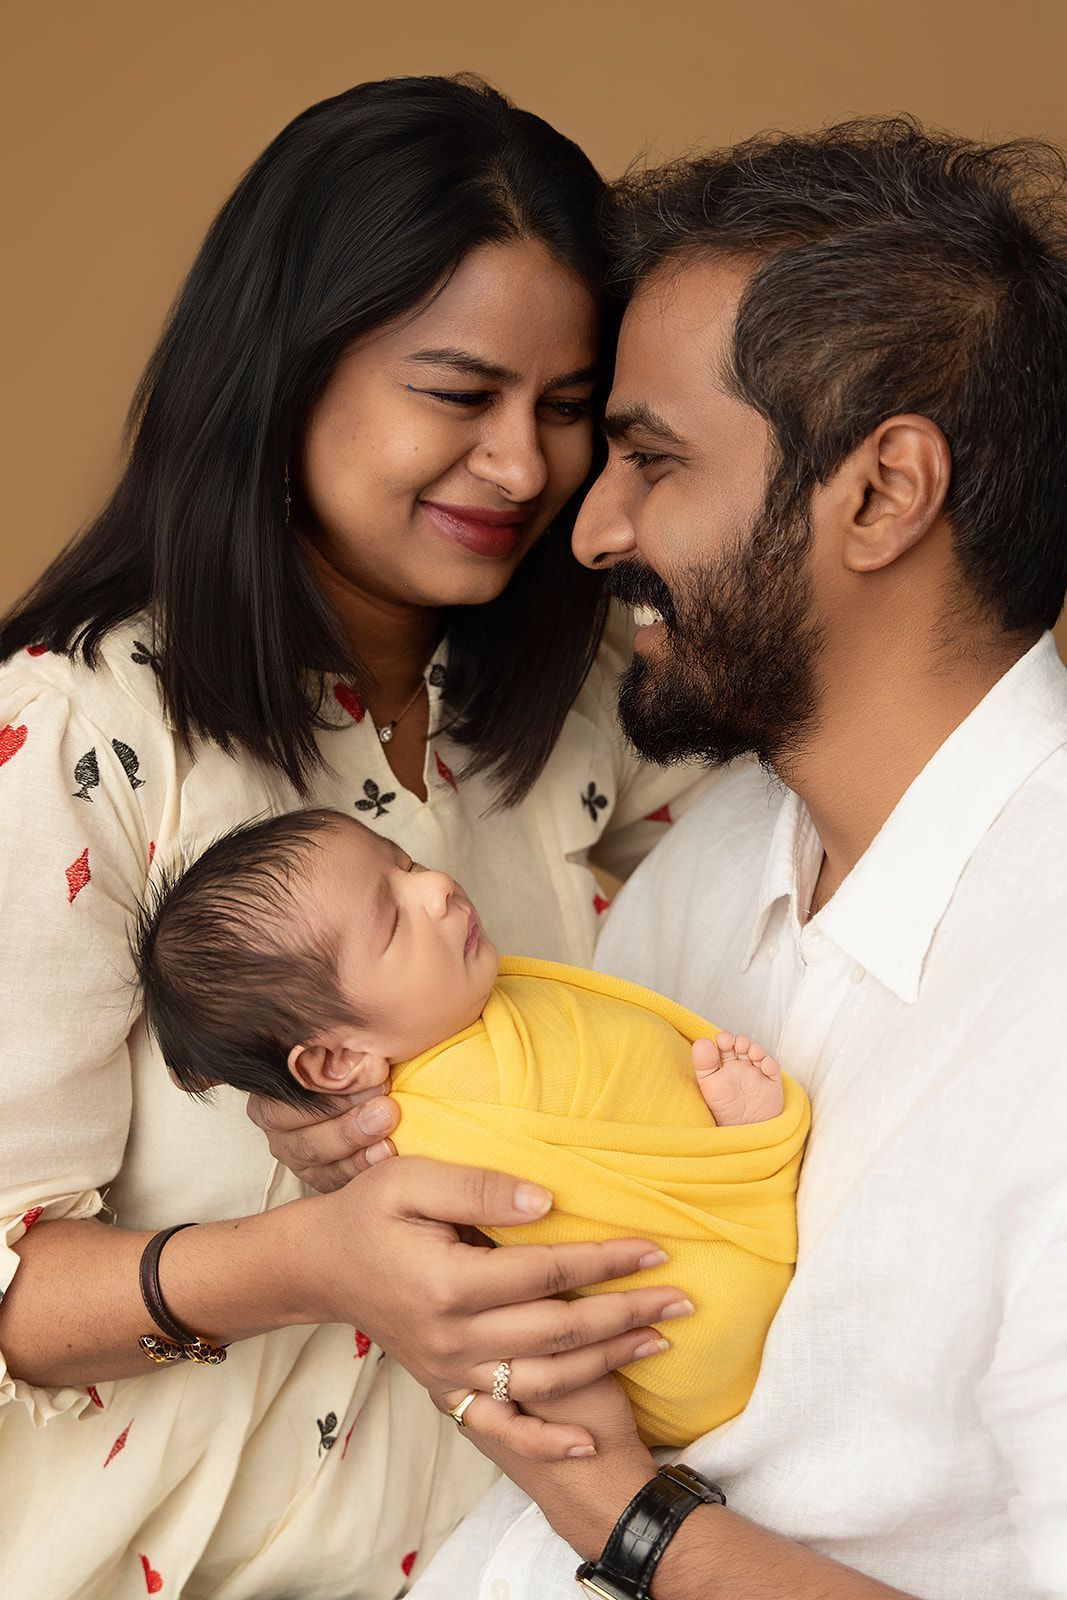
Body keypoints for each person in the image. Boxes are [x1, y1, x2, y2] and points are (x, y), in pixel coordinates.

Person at [0, 76, 714, 1600]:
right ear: (286, 371)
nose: (521, 467)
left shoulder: (594, 704)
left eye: (566, 408)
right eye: (456, 396)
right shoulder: (78, 736)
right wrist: (317, 1263)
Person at [406, 120, 1067, 1600]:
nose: (589, 529)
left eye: (650, 457)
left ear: (883, 492)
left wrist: (627, 1522)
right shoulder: (711, 861)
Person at [132, 805, 810, 1448]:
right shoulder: (418, 1134)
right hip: (690, 1338)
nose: (436, 888)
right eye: (393, 920)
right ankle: (737, 1164)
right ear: (339, 1060)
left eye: (405, 864)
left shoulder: (466, 1005)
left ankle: (721, 1145)